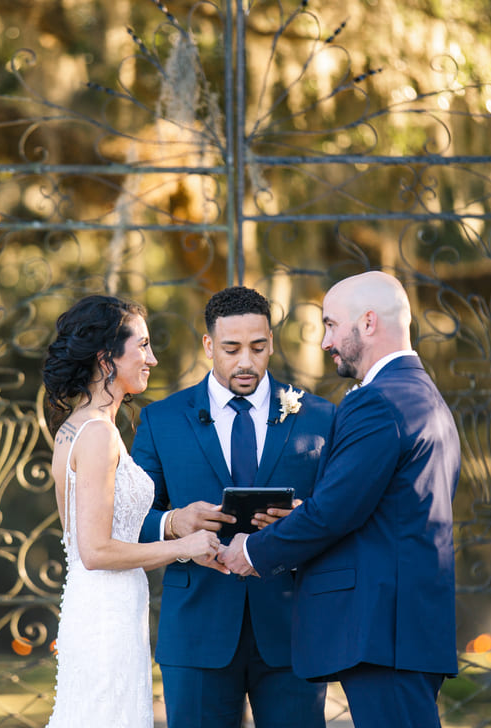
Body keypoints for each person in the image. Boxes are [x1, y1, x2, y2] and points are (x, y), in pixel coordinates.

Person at [220, 271, 461, 728]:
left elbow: (335, 512)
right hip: (405, 627)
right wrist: (303, 515)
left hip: (382, 630)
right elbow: (380, 507)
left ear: (368, 323)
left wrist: (250, 552)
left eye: (331, 324)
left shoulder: (377, 401)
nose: (326, 341)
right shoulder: (421, 394)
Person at [133, 286, 334, 728]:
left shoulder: (321, 417)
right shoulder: (161, 420)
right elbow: (129, 520)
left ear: (271, 344)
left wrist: (303, 515)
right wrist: (173, 522)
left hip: (293, 630)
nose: (246, 361)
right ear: (209, 345)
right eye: (231, 348)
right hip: (197, 633)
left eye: (258, 347)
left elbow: (340, 512)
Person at [42, 294, 225, 728]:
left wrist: (175, 530)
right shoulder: (97, 436)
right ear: (107, 358)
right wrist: (183, 546)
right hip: (105, 620)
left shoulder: (77, 427)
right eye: (142, 346)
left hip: (105, 610)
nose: (153, 359)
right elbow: (95, 551)